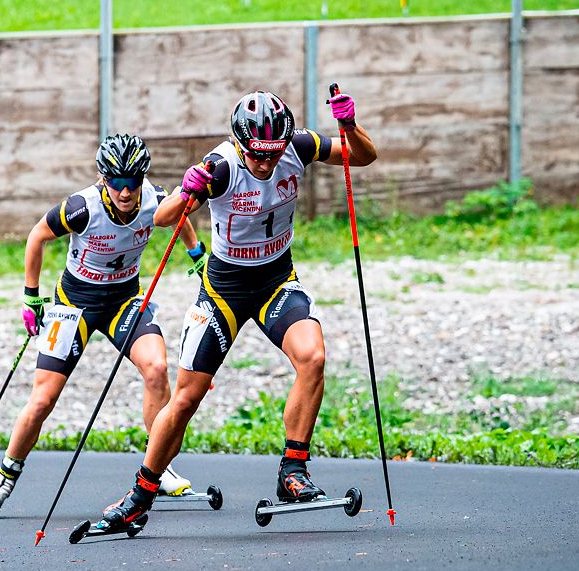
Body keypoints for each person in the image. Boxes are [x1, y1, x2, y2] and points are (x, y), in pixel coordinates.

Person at [97, 90, 378, 530]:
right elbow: (163, 218)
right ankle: (140, 494)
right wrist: (186, 188)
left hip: (274, 281)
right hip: (224, 290)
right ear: (240, 143)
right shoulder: (222, 167)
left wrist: (349, 126)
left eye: (272, 153)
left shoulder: (298, 145)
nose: (265, 163)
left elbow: (361, 157)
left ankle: (293, 472)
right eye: (256, 155)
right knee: (187, 397)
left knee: (314, 357)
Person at [0, 134, 207, 517]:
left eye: (133, 183)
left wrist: (196, 253)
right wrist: (31, 296)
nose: (126, 192)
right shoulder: (81, 207)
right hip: (74, 304)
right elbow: (37, 236)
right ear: (101, 178)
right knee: (43, 398)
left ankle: (160, 467)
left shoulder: (154, 199)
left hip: (123, 301)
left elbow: (180, 212)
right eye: (116, 183)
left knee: (158, 368)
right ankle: (3, 479)